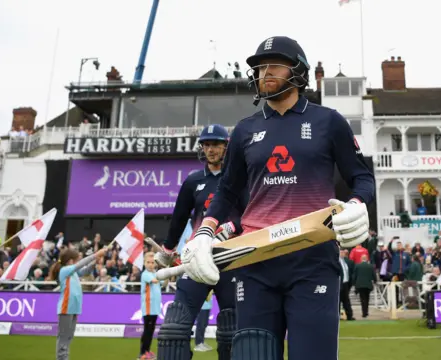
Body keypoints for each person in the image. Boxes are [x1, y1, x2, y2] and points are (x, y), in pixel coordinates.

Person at [182, 36, 374, 359]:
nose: (264, 72)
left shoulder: (329, 122)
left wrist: (357, 205)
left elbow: (362, 178)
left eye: (274, 65)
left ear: (298, 71)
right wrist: (205, 232)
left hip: (313, 259)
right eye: (259, 67)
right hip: (255, 262)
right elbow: (227, 191)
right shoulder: (244, 131)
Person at [154, 124, 248, 360]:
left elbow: (252, 212)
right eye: (206, 144)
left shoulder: (241, 178)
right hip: (196, 260)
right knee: (174, 329)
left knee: (232, 331)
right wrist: (167, 250)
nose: (211, 149)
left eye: (216, 144)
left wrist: (232, 226)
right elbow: (178, 219)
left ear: (226, 147)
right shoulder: (192, 181)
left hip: (231, 259)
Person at [48, 246, 107, 360]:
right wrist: (95, 254)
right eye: (77, 259)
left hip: (74, 308)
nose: (78, 261)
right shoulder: (65, 270)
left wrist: (96, 260)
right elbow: (80, 265)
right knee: (64, 337)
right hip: (66, 307)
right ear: (70, 260)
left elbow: (85, 270)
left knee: (69, 337)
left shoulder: (72, 271)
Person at [139, 252, 162, 360]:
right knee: (147, 330)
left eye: (152, 262)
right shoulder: (146, 274)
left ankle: (147, 351)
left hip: (155, 307)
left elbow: (163, 282)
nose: (150, 264)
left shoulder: (154, 273)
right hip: (148, 307)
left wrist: (165, 276)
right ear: (144, 263)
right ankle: (143, 352)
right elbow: (156, 280)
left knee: (150, 330)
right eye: (148, 262)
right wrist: (165, 273)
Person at [353, 254, 376, 318]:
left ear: (361, 259)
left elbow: (354, 276)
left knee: (362, 299)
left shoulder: (357, 266)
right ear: (367, 259)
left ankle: (364, 313)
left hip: (360, 285)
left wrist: (353, 283)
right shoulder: (370, 266)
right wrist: (375, 281)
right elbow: (374, 275)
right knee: (367, 298)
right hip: (368, 285)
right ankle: (366, 312)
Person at [339, 248, 354, 321]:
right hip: (339, 284)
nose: (342, 254)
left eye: (343, 253)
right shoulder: (336, 262)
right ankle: (337, 317)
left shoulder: (346, 262)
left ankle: (349, 316)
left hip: (346, 284)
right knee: (338, 301)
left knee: (346, 301)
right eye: (341, 252)